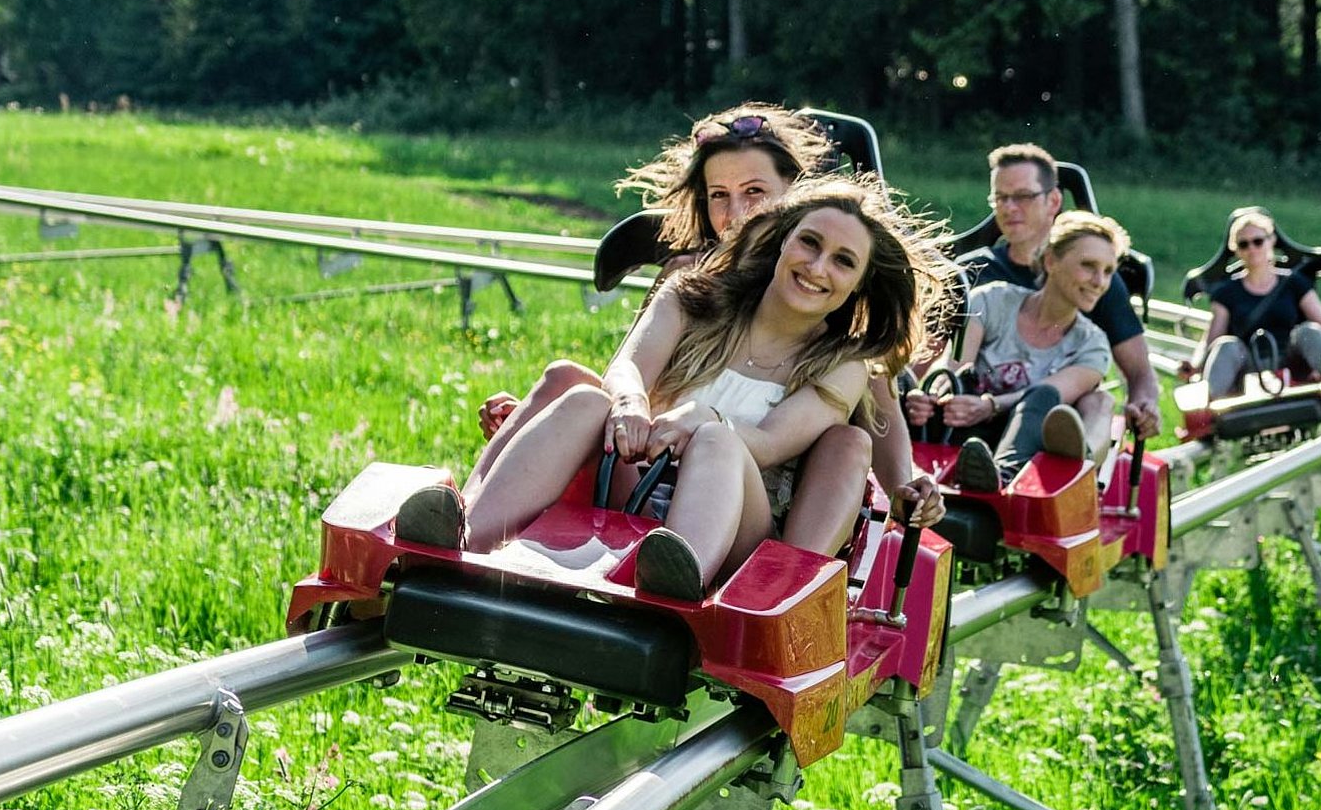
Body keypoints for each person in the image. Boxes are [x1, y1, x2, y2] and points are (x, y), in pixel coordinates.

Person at [399, 177, 945, 600]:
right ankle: (463, 538)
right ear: (781, 242)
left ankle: (675, 585)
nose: (817, 266)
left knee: (719, 441)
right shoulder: (693, 295)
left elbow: (775, 442)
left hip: (738, 524)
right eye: (809, 243)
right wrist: (632, 405)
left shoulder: (844, 362)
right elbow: (628, 367)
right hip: (639, 480)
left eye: (842, 261)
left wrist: (703, 419)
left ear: (858, 284)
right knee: (589, 397)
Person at [471, 105, 941, 545]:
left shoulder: (847, 354)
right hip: (645, 466)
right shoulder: (690, 284)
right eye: (720, 195)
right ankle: (461, 528)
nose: (737, 213)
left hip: (746, 503)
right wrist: (552, 421)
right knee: (572, 386)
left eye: (754, 193)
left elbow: (874, 421)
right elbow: (629, 372)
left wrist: (903, 482)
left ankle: (756, 589)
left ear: (792, 196)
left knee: (821, 439)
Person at [952, 144, 1160, 453]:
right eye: (1000, 198)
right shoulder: (975, 274)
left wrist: (1145, 403)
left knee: (1098, 399)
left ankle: (1073, 470)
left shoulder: (1100, 285)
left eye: (1022, 197)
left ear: (1054, 201)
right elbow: (939, 360)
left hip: (1054, 416)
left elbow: (1139, 370)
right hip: (970, 409)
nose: (1009, 208)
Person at [909, 212, 1129, 492]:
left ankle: (1002, 474)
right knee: (919, 382)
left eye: (1108, 272)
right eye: (1088, 266)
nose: (1100, 281)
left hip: (1025, 438)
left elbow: (1052, 392)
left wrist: (990, 406)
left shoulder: (1093, 346)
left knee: (1044, 396)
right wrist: (932, 396)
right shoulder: (991, 300)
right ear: (1051, 261)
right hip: (959, 426)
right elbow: (955, 366)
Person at [1185, 207, 1321, 396]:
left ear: (1271, 241)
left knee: (1309, 331)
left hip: (1293, 361)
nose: (1252, 249)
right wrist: (1194, 365)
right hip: (1249, 366)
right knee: (1226, 345)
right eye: (1244, 244)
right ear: (1236, 250)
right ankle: (1204, 412)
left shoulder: (1294, 282)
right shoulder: (1226, 292)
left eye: (1258, 241)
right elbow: (1211, 340)